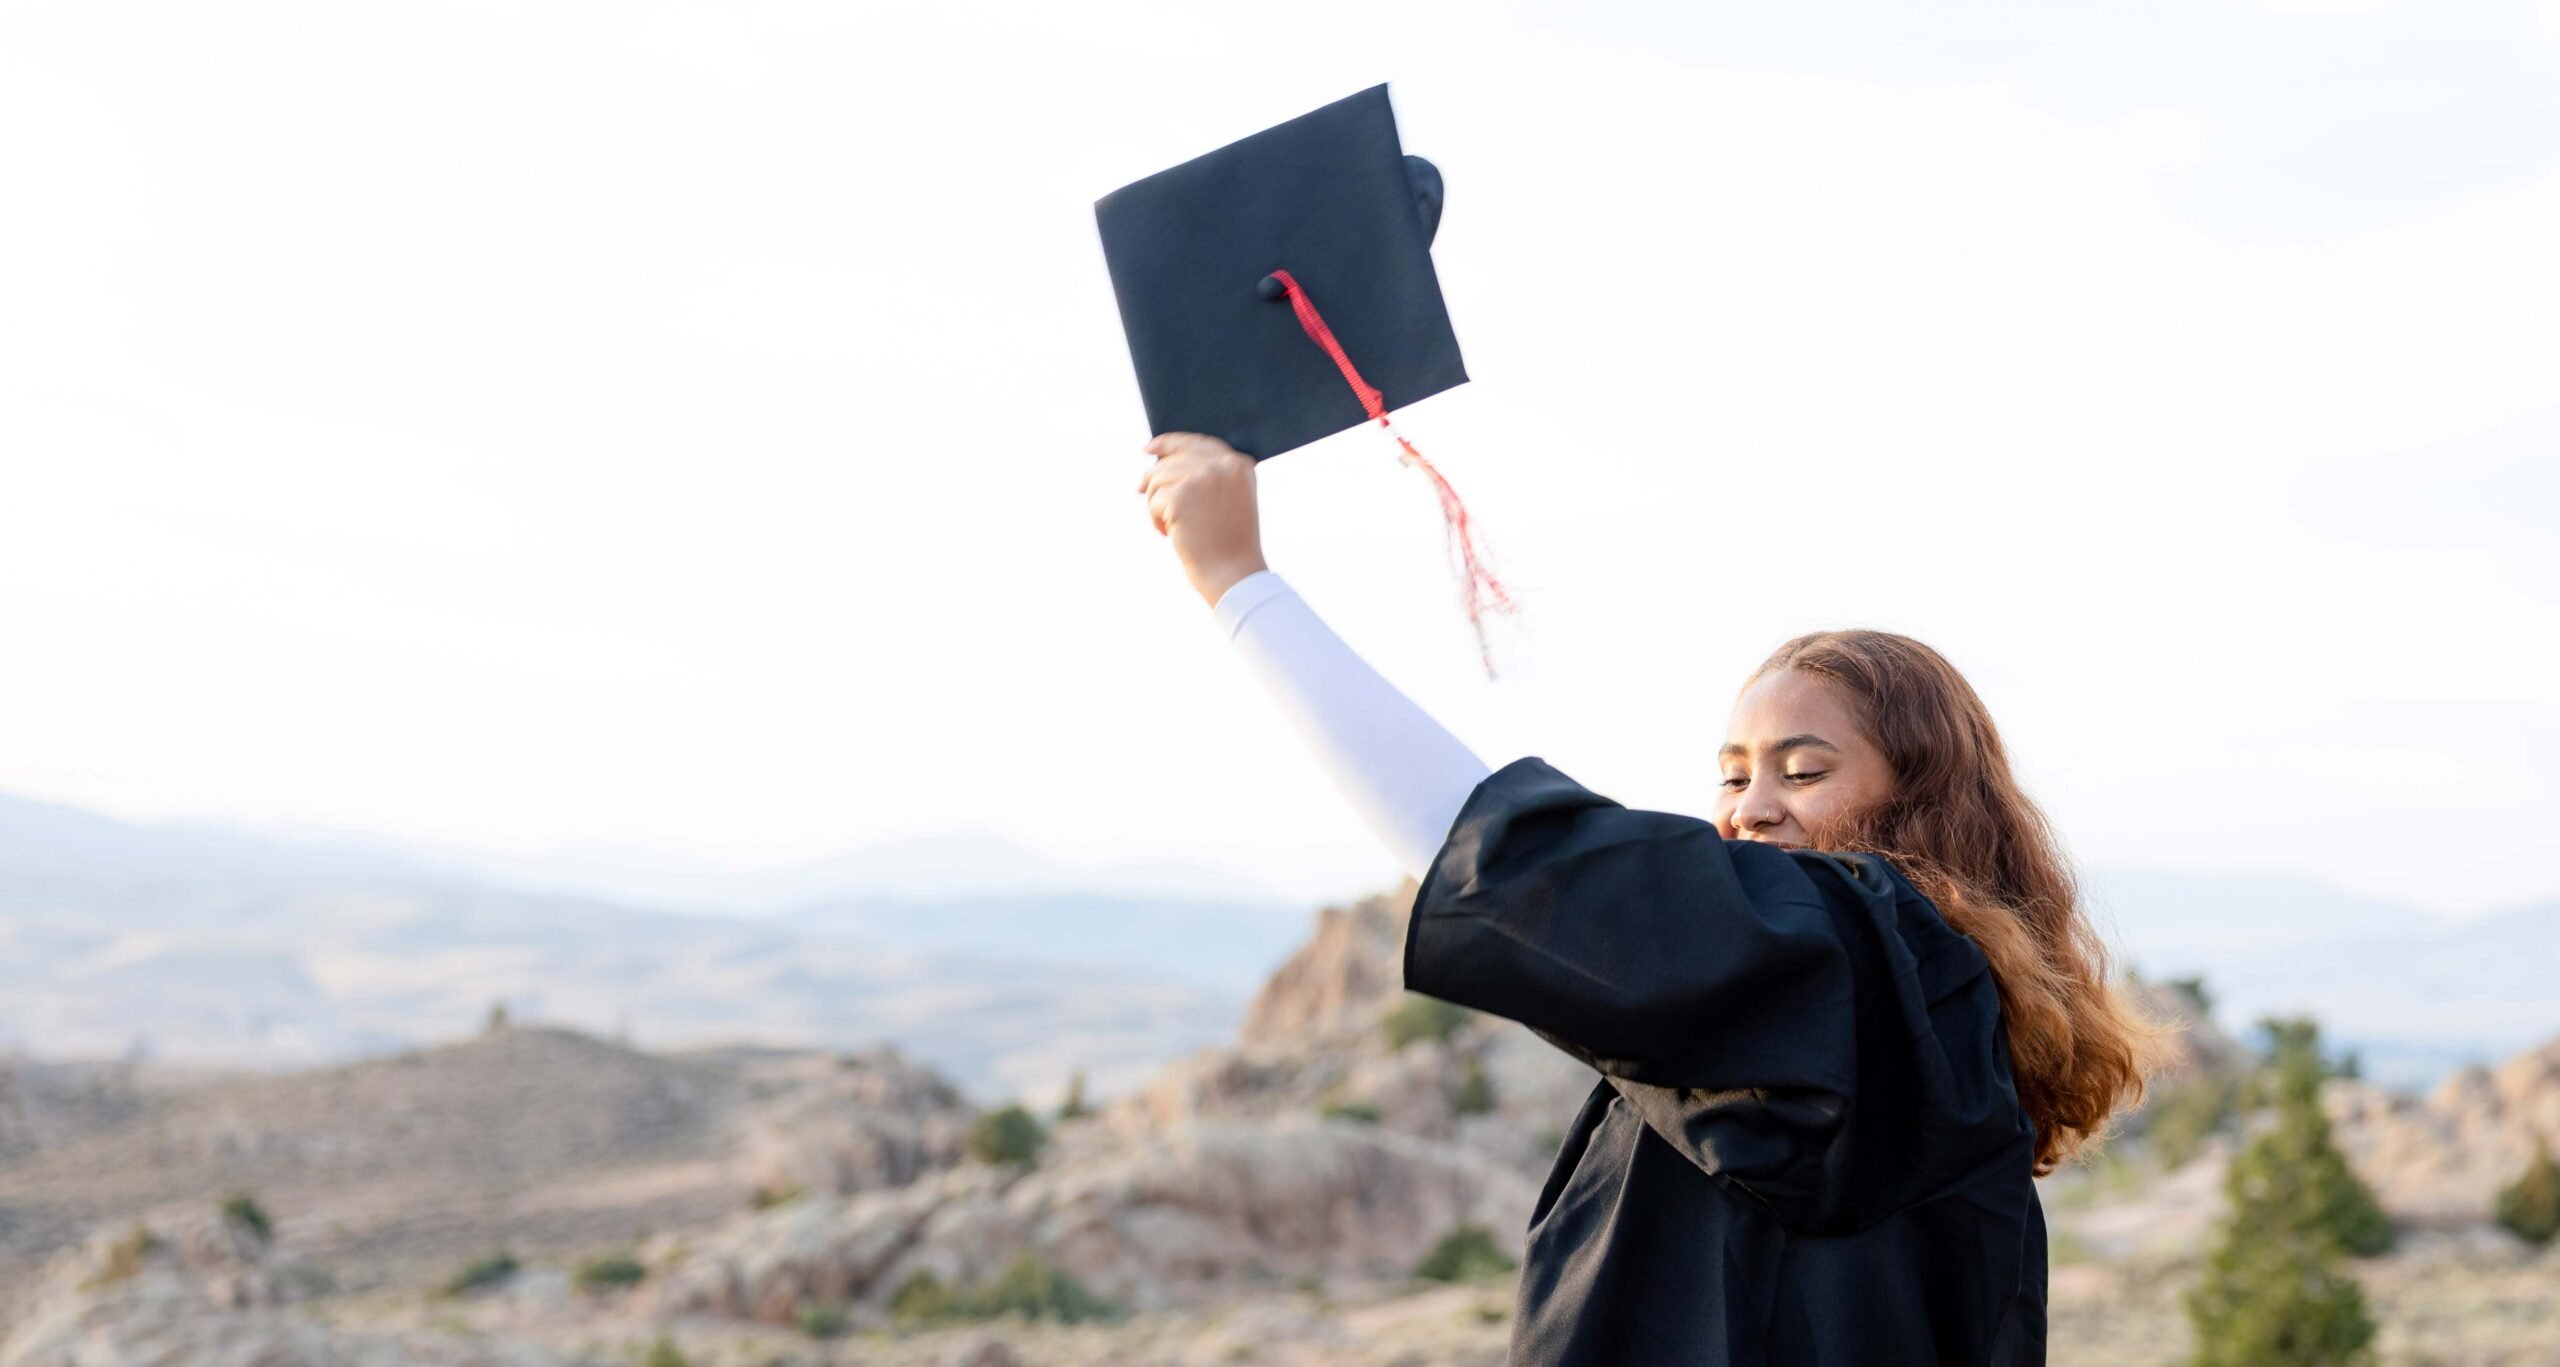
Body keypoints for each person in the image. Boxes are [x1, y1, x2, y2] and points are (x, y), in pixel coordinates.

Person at [1135, 432, 2166, 1365]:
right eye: (1732, 773)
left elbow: (1499, 854)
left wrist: (1239, 581)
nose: (1750, 809)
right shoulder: (1932, 1015)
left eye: (1802, 772)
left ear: (1923, 797)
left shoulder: (1849, 955)